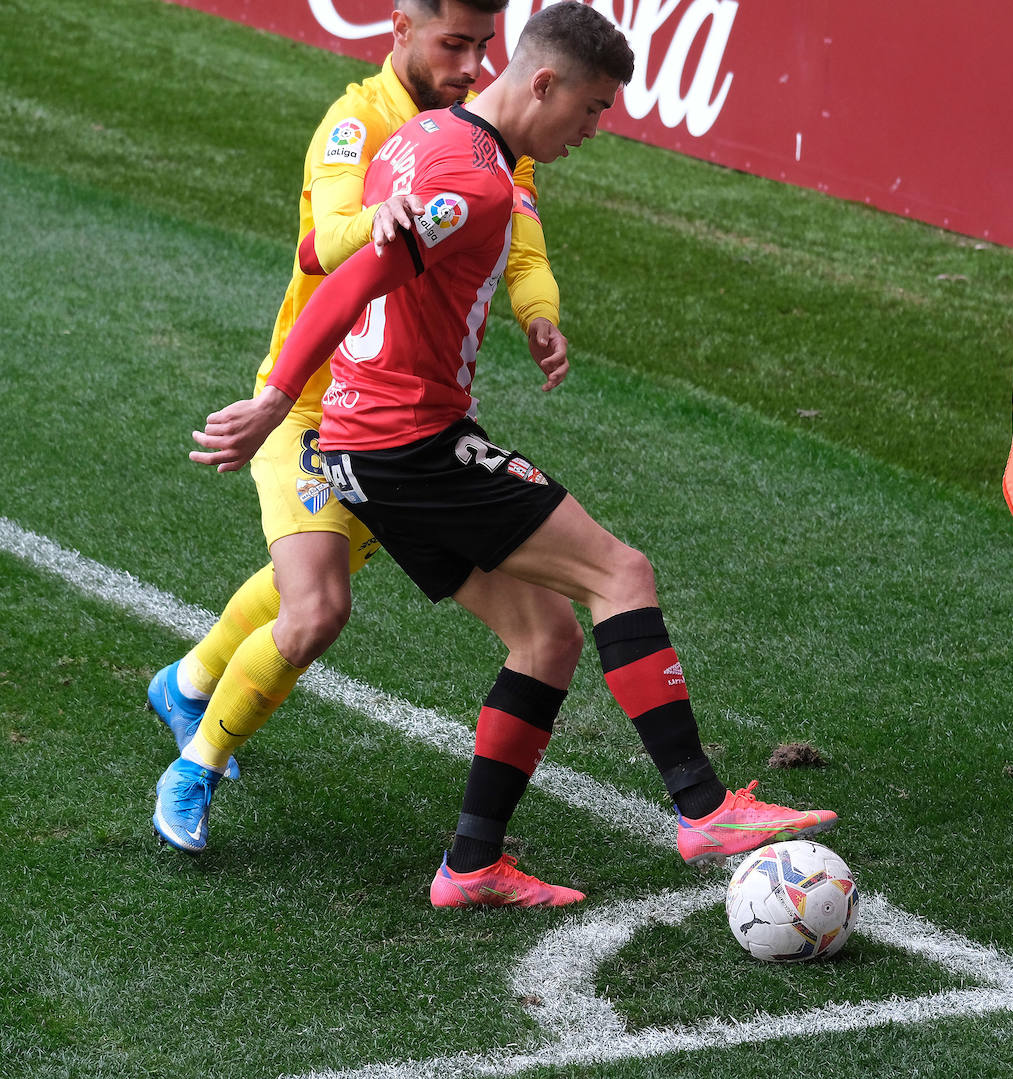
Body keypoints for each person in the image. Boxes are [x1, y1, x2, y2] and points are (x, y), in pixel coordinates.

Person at [183, 0, 838, 909]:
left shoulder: (428, 140)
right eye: (594, 108)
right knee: (621, 574)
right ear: (544, 82)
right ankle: (702, 807)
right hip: (410, 441)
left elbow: (342, 248)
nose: (595, 129)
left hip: (371, 445)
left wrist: (536, 312)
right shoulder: (473, 180)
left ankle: (471, 865)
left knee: (545, 637)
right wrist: (268, 401)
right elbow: (350, 277)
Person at [150, 0, 583, 845]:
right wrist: (376, 226)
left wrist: (538, 312)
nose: (468, 65)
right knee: (317, 608)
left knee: (310, 575)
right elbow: (324, 243)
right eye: (452, 44)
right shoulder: (357, 121)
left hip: (403, 422)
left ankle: (193, 676)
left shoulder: (489, 138)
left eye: (481, 47)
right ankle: (194, 765)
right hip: (311, 403)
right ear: (399, 31)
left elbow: (523, 242)